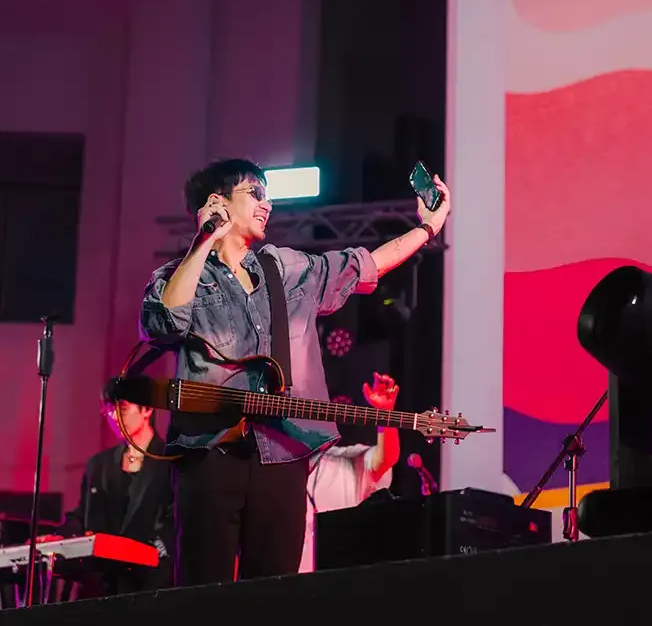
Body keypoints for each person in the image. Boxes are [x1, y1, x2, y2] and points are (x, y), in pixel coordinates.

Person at [139, 158, 451, 586]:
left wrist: (428, 228)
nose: (267, 204)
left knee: (275, 591)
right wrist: (204, 240)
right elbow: (162, 324)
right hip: (210, 455)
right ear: (217, 202)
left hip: (283, 454)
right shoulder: (179, 276)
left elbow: (365, 265)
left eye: (267, 195)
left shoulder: (285, 269)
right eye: (255, 194)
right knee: (202, 589)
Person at [61, 392, 174, 597]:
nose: (114, 416)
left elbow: (176, 521)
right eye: (108, 410)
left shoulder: (170, 461)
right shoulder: (98, 465)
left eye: (122, 408)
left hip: (150, 585)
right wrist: (60, 537)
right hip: (101, 587)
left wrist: (154, 551)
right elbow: (83, 516)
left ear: (147, 409)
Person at [299, 371, 401, 573]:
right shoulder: (279, 464)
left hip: (339, 582)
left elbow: (387, 456)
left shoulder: (351, 461)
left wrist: (385, 414)